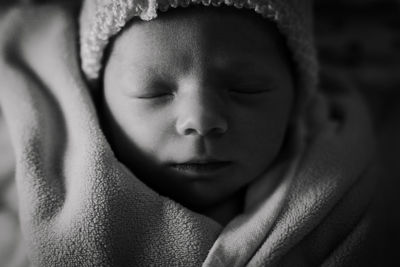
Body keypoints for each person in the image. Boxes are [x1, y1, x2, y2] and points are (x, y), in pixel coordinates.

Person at [0, 0, 379, 266]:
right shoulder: (34, 192)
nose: (201, 120)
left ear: (298, 97)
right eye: (153, 91)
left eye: (247, 88)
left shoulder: (348, 189)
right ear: (97, 100)